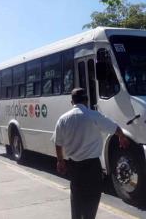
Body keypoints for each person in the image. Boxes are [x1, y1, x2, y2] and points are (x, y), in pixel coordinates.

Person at [52, 88, 129, 219]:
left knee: (76, 198)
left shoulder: (63, 119)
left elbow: (58, 143)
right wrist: (121, 137)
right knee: (92, 199)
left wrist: (60, 161)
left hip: (74, 167)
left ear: (72, 102)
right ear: (86, 101)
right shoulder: (94, 115)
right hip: (92, 167)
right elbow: (115, 128)